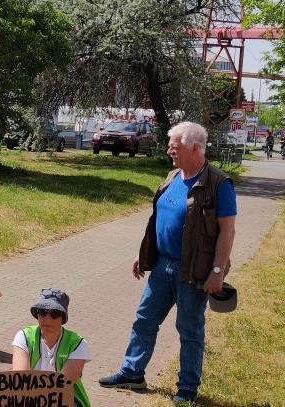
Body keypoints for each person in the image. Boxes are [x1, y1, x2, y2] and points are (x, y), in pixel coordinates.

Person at [99, 121, 236, 404]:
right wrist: (144, 253)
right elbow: (159, 220)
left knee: (189, 330)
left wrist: (217, 272)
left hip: (194, 270)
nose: (169, 150)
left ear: (195, 148)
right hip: (163, 265)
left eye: (175, 145)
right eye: (170, 145)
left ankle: (187, 389)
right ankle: (132, 373)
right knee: (144, 320)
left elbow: (227, 232)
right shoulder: (173, 176)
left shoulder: (218, 184)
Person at [12, 288, 91, 407]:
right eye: (43, 312)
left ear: (63, 317)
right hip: (29, 397)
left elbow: (62, 386)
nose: (47, 318)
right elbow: (20, 379)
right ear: (37, 314)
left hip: (65, 398)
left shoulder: (78, 343)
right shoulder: (23, 336)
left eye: (54, 314)